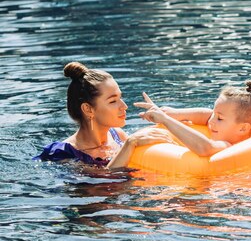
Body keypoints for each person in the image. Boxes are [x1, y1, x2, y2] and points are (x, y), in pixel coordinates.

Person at [34, 62, 173, 168]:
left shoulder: (117, 135)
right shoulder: (62, 154)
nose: (124, 106)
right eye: (113, 101)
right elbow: (99, 186)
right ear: (88, 109)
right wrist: (130, 144)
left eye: (120, 98)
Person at [135, 80, 251, 157]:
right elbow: (206, 115)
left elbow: (206, 148)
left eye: (219, 118)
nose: (211, 120)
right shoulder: (232, 130)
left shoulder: (228, 146)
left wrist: (165, 120)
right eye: (214, 114)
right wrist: (175, 113)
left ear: (242, 128)